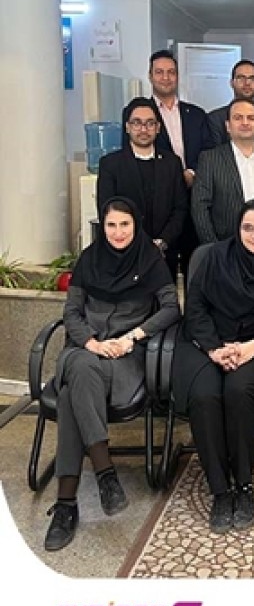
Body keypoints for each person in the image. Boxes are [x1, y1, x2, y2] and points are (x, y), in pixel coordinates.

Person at [44, 197, 181, 552]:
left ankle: (66, 504)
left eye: (124, 224)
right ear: (102, 227)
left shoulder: (151, 260)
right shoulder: (89, 259)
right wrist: (91, 342)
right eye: (111, 225)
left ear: (136, 225)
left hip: (124, 359)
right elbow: (72, 313)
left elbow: (171, 309)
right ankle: (105, 475)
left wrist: (132, 336)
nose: (118, 232)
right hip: (85, 349)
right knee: (80, 365)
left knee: (71, 392)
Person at [171, 200, 254, 533]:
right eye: (248, 228)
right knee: (204, 396)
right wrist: (215, 349)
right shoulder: (215, 256)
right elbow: (195, 307)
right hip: (206, 346)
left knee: (239, 391)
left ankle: (243, 485)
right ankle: (219, 489)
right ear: (237, 229)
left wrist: (253, 346)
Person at [98, 97, 188, 279]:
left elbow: (180, 209)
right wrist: (138, 244)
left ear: (158, 128)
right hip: (124, 254)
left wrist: (162, 242)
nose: (144, 129)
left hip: (164, 256)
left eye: (150, 123)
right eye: (137, 123)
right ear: (127, 127)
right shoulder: (110, 164)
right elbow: (106, 210)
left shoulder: (172, 163)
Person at [146, 50, 215, 281]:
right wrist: (175, 176)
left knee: (195, 269)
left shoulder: (196, 114)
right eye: (159, 72)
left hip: (194, 199)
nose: (166, 77)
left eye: (171, 72)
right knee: (160, 273)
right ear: (150, 76)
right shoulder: (142, 114)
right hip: (159, 206)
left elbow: (208, 151)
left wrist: (192, 173)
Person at [193, 99, 254, 243]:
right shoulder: (210, 159)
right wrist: (213, 248)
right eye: (238, 118)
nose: (245, 123)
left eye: (251, 118)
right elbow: (200, 208)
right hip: (225, 246)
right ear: (228, 126)